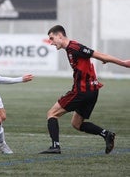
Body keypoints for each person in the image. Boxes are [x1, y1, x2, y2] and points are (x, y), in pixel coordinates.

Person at [39, 25, 130, 154]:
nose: (51, 42)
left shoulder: (75, 47)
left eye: (52, 38)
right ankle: (106, 134)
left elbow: (99, 55)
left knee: (52, 114)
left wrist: (123, 63)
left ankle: (55, 146)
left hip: (82, 91)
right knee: (77, 124)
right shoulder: (70, 49)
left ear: (60, 36)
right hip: (92, 91)